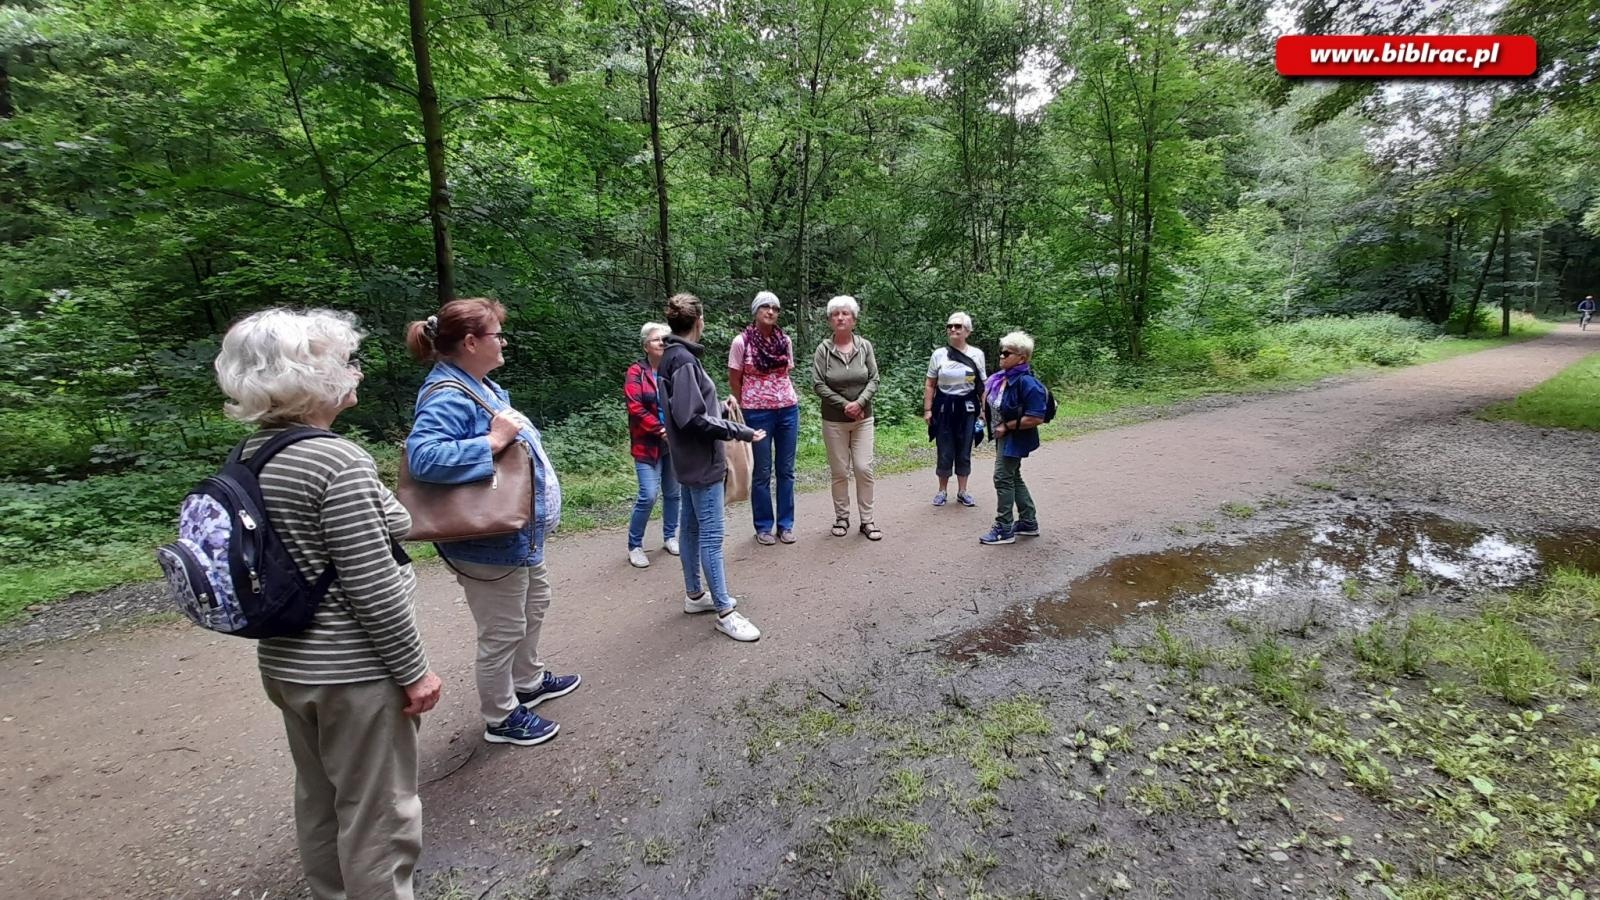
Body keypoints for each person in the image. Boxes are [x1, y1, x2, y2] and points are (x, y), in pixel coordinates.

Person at [214, 308, 441, 900]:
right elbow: (374, 583)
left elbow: (382, 521)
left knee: (320, 801)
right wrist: (414, 673)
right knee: (380, 818)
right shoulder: (336, 460)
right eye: (345, 361)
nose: (356, 371)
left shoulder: (250, 454)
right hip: (352, 673)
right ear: (309, 377)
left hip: (286, 666)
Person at [404, 298, 580, 748]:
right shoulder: (446, 395)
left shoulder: (480, 385)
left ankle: (529, 681)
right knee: (501, 629)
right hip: (487, 543)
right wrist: (492, 440)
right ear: (469, 342)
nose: (503, 342)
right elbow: (423, 457)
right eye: (496, 334)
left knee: (533, 605)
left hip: (517, 536)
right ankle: (500, 716)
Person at [657, 292, 766, 641]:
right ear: (698, 322)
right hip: (702, 462)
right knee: (712, 537)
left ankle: (694, 595)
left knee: (690, 530)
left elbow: (687, 408)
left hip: (685, 460)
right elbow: (691, 419)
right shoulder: (685, 361)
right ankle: (725, 610)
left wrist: (718, 404)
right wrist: (742, 431)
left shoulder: (671, 357)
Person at [729, 290, 800, 545]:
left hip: (788, 410)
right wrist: (746, 402)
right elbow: (735, 378)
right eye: (765, 307)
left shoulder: (785, 341)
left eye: (775, 308)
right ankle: (763, 526)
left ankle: (786, 525)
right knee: (761, 471)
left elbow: (786, 374)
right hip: (756, 412)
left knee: (786, 470)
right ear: (755, 311)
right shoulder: (741, 342)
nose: (771, 312)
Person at [811, 294, 881, 540]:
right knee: (840, 471)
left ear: (854, 319)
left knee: (863, 468)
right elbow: (818, 384)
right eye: (835, 314)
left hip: (863, 419)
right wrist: (845, 405)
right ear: (830, 320)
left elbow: (874, 378)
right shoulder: (823, 349)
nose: (840, 317)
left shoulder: (865, 347)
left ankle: (868, 521)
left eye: (845, 313)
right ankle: (842, 517)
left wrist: (860, 403)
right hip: (833, 421)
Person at [979, 331, 1049, 546]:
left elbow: (1036, 417)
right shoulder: (1002, 379)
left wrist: (1006, 426)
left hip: (1015, 437)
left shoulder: (1028, 383)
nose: (1001, 356)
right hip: (1004, 435)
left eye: (1007, 353)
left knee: (1002, 477)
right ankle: (1028, 522)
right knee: (1013, 476)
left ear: (1022, 358)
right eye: (1001, 352)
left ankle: (1004, 528)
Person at [625, 323, 681, 568]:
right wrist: (659, 429)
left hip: (673, 443)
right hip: (647, 444)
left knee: (673, 493)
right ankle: (635, 545)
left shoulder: (673, 369)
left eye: (666, 339)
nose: (663, 343)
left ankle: (670, 537)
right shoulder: (636, 372)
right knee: (648, 495)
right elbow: (635, 406)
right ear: (646, 345)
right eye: (658, 340)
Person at [924, 311, 987, 508]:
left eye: (958, 326)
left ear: (967, 331)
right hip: (943, 407)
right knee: (944, 448)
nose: (952, 329)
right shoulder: (939, 354)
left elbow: (982, 385)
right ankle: (942, 491)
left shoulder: (977, 354)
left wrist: (984, 411)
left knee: (964, 447)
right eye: (950, 326)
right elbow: (930, 384)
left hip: (967, 407)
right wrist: (927, 410)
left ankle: (963, 491)